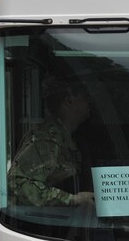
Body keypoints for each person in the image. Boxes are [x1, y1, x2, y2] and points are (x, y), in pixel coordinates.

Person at [8, 77, 95, 207]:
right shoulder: (45, 139)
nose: (89, 102)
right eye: (84, 97)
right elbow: (17, 184)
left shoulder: (71, 138)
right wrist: (72, 200)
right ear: (69, 101)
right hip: (46, 224)